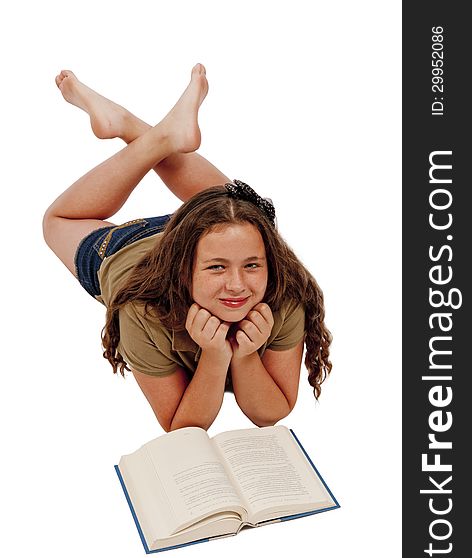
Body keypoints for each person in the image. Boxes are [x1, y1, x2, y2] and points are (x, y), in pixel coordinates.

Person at [43, 64, 332, 432]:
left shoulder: (284, 292)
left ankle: (139, 129)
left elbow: (270, 413)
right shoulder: (142, 310)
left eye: (253, 266)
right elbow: (181, 427)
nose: (238, 285)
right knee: (56, 221)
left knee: (245, 210)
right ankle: (146, 133)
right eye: (217, 270)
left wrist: (243, 356)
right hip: (123, 247)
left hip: (210, 234)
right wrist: (213, 357)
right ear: (183, 269)